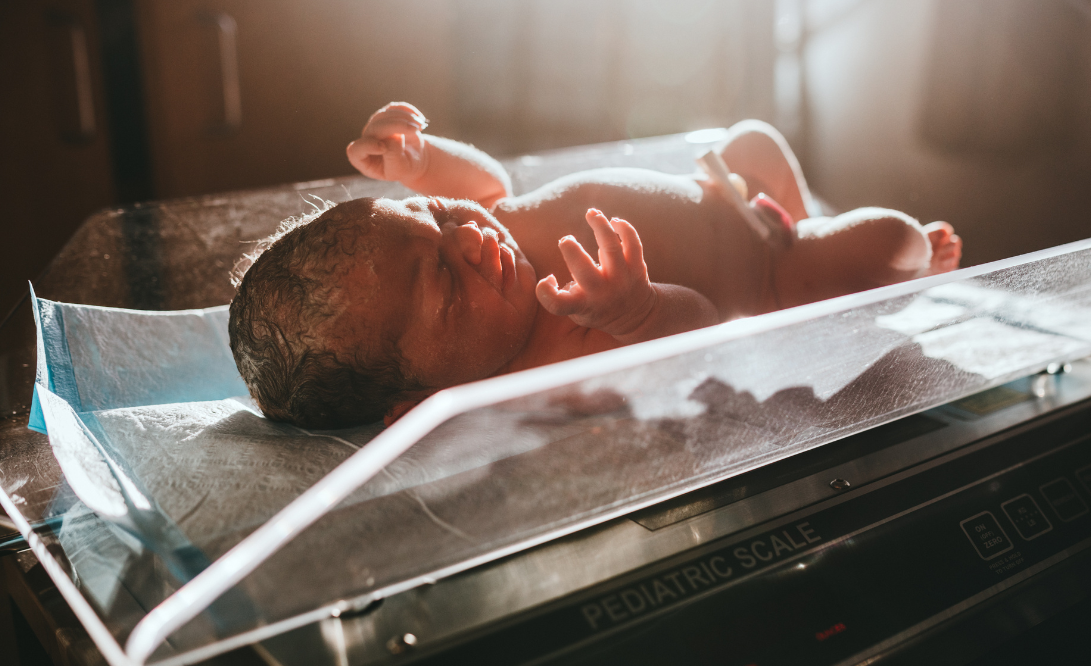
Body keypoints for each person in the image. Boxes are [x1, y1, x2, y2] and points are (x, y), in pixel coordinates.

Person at [229, 102, 961, 429]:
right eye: (446, 282)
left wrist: (424, 165)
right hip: (769, 275)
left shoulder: (488, 230)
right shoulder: (547, 365)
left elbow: (489, 186)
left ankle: (797, 208)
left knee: (752, 136)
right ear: (424, 400)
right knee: (887, 239)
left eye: (433, 219)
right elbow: (700, 336)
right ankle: (898, 266)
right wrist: (638, 311)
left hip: (724, 190)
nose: (469, 237)